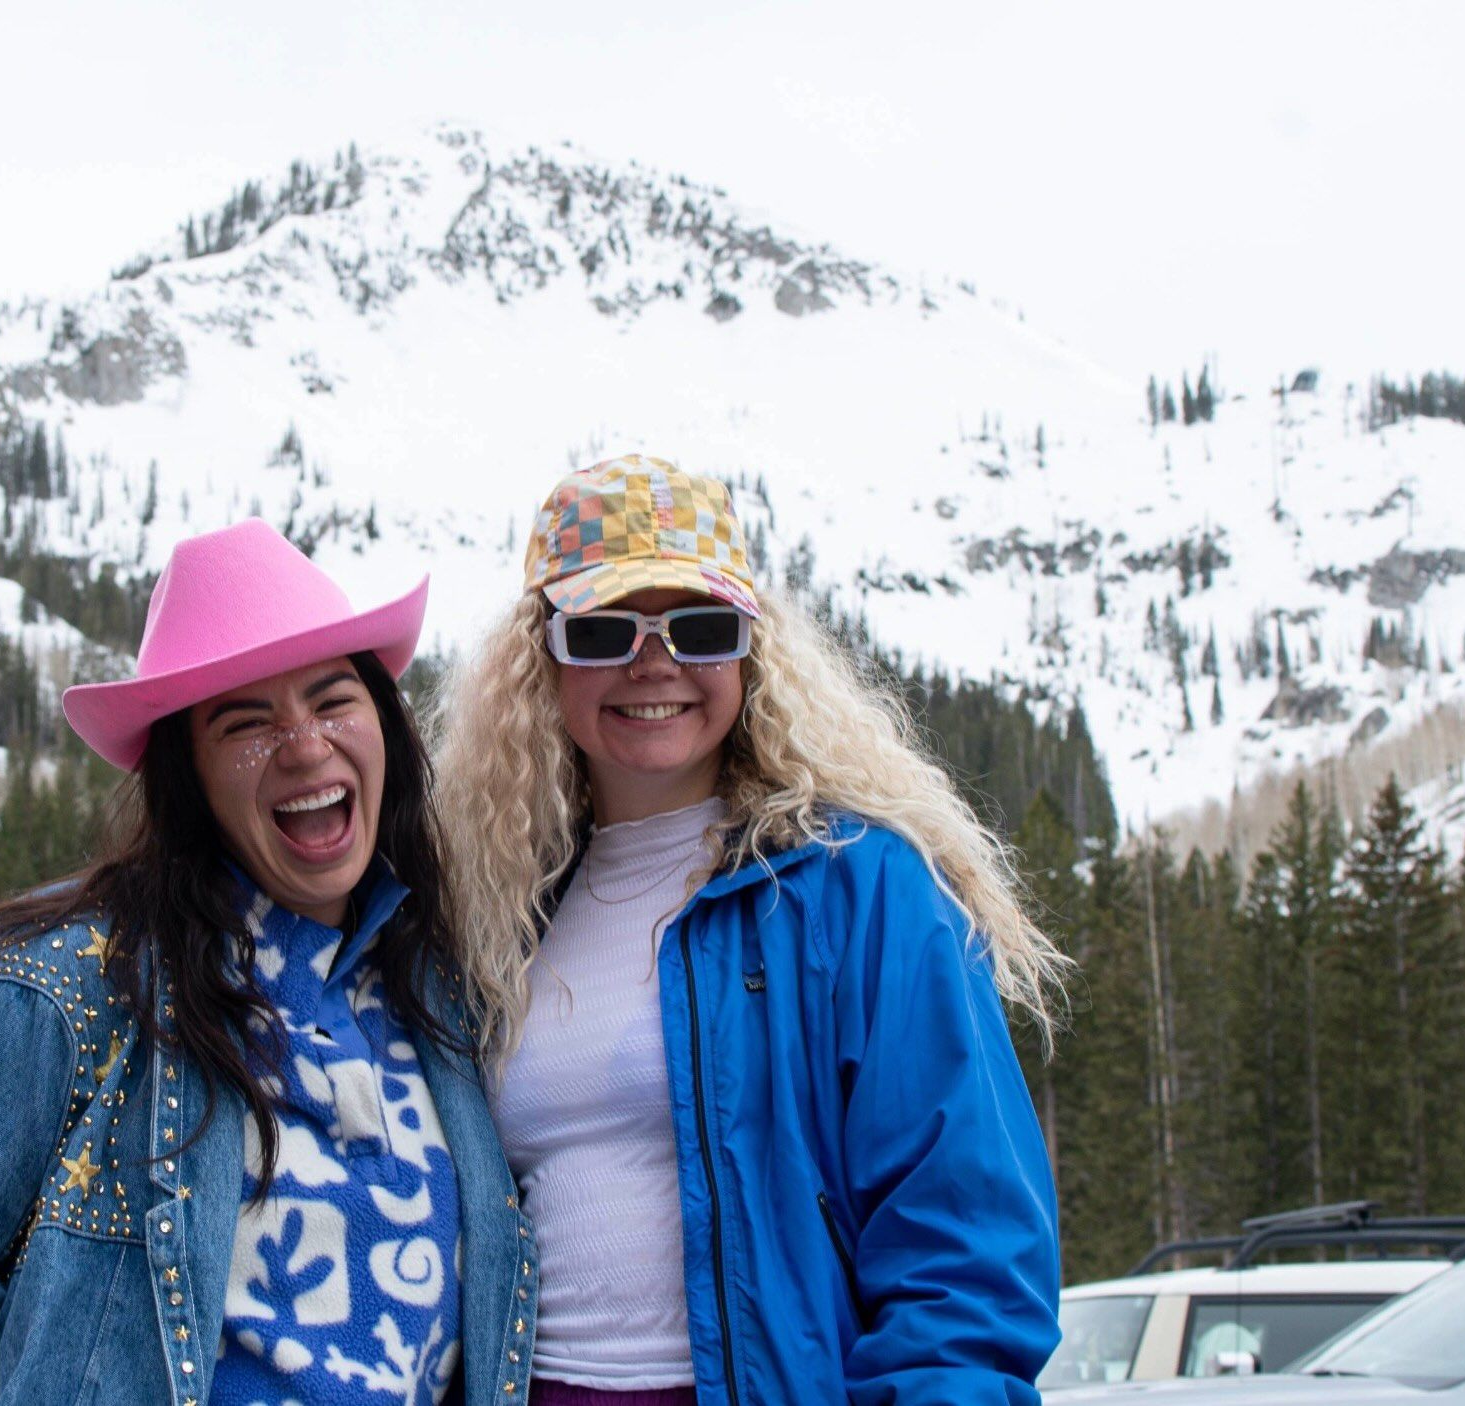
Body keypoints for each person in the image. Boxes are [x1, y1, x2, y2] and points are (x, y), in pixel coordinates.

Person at [0, 519, 537, 1405]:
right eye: (247, 722)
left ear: (384, 725)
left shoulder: (440, 994)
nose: (306, 745)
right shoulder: (56, 997)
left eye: (331, 699)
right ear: (189, 778)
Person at [433, 456, 1065, 1406]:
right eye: (604, 631)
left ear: (751, 651)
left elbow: (965, 1253)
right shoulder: (498, 915)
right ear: (544, 662)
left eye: (700, 626)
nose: (654, 663)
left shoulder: (862, 888)